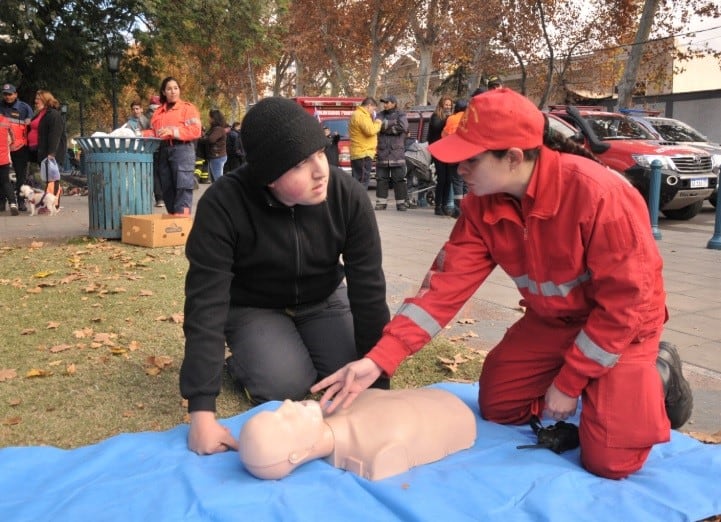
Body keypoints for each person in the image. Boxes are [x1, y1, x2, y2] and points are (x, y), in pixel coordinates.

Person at [312, 88, 693, 480]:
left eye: (470, 161)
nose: (459, 170)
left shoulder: (600, 195)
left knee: (610, 463)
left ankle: (659, 371)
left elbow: (624, 306)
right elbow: (442, 289)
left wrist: (570, 380)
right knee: (498, 406)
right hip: (555, 323)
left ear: (512, 157)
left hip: (623, 330)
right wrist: (378, 360)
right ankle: (600, 389)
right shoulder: (482, 205)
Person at [180, 97, 390, 456]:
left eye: (320, 153)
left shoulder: (346, 196)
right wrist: (202, 411)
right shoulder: (223, 204)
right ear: (269, 179)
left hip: (322, 297)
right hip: (253, 306)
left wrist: (380, 384)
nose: (320, 170)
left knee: (349, 374)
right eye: (301, 164)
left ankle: (288, 346)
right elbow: (206, 303)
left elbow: (369, 290)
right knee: (286, 385)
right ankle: (244, 361)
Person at [239, 388, 476, 481]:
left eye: (279, 410)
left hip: (445, 403)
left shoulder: (341, 405)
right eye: (284, 420)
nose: (287, 403)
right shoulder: (377, 452)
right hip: (458, 418)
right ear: (295, 455)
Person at [144, 77, 201, 215]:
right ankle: (173, 223)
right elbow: (154, 132)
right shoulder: (158, 112)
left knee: (183, 187)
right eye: (169, 89)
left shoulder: (188, 108)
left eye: (176, 88)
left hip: (182, 150)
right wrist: (139, 134)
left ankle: (182, 224)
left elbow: (196, 131)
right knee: (167, 188)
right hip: (164, 150)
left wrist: (173, 132)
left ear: (179, 90)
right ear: (163, 92)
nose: (173, 91)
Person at [28, 89, 66, 210]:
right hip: (41, 152)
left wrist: (51, 153)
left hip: (50, 153)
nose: (35, 101)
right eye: (35, 99)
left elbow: (55, 134)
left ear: (45, 99)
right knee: (48, 178)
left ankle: (53, 205)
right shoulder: (40, 113)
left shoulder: (53, 114)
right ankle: (48, 203)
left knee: (52, 179)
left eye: (38, 99)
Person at [0, 83, 33, 212]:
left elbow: (31, 127)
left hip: (20, 147)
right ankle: (2, 202)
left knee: (21, 175)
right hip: (3, 148)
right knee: (2, 177)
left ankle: (21, 201)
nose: (7, 96)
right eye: (5, 94)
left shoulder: (24, 108)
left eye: (10, 94)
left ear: (15, 94)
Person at [374, 95, 409, 211]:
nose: (385, 104)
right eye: (384, 102)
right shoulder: (380, 115)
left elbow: (403, 127)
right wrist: (393, 126)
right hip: (383, 152)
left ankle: (401, 203)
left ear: (394, 103)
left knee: (399, 179)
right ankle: (381, 203)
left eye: (387, 102)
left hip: (397, 153)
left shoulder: (401, 114)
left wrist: (386, 126)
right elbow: (376, 127)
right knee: (381, 179)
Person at [440, 99, 469, 218]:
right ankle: (468, 209)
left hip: (454, 155)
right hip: (467, 155)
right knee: (467, 182)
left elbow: (443, 135)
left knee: (457, 182)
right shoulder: (470, 119)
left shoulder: (451, 119)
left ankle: (458, 210)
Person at [427, 96, 453, 216]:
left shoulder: (450, 117)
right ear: (441, 104)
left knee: (448, 179)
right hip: (438, 150)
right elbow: (437, 127)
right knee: (442, 179)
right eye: (446, 104)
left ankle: (445, 205)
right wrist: (448, 120)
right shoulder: (436, 116)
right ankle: (438, 206)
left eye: (449, 105)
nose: (448, 106)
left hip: (449, 151)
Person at [348, 97, 381, 189]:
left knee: (357, 180)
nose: (373, 111)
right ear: (369, 105)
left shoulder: (357, 114)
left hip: (358, 152)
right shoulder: (361, 115)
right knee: (362, 181)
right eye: (373, 109)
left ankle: (353, 202)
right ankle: (360, 202)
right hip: (363, 153)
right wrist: (378, 123)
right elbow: (370, 130)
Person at [198, 109, 227, 182]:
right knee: (215, 180)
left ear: (214, 118)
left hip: (217, 156)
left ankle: (221, 193)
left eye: (210, 117)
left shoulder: (218, 129)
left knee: (218, 180)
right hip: (215, 156)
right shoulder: (215, 128)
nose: (208, 119)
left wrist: (201, 139)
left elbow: (211, 139)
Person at [146, 95, 164, 207]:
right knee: (162, 172)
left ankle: (159, 198)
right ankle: (162, 197)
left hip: (151, 147)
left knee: (155, 174)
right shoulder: (163, 114)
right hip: (163, 146)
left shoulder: (147, 116)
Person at [0, 113, 19, 215]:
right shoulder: (5, 121)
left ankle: (2, 205)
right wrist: (11, 145)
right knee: (5, 182)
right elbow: (13, 136)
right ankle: (12, 204)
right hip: (3, 158)